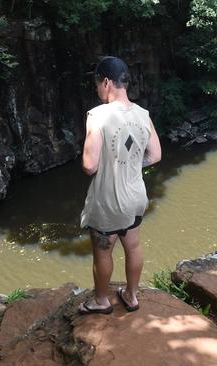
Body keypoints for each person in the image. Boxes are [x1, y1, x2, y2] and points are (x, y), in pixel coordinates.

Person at [78, 56, 161, 314]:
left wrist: (111, 163)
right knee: (133, 245)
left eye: (96, 84)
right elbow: (156, 155)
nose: (96, 89)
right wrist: (131, 164)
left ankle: (102, 301)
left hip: (109, 200)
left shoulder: (98, 115)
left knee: (103, 252)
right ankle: (132, 295)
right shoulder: (143, 115)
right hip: (136, 196)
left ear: (106, 82)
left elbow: (89, 165)